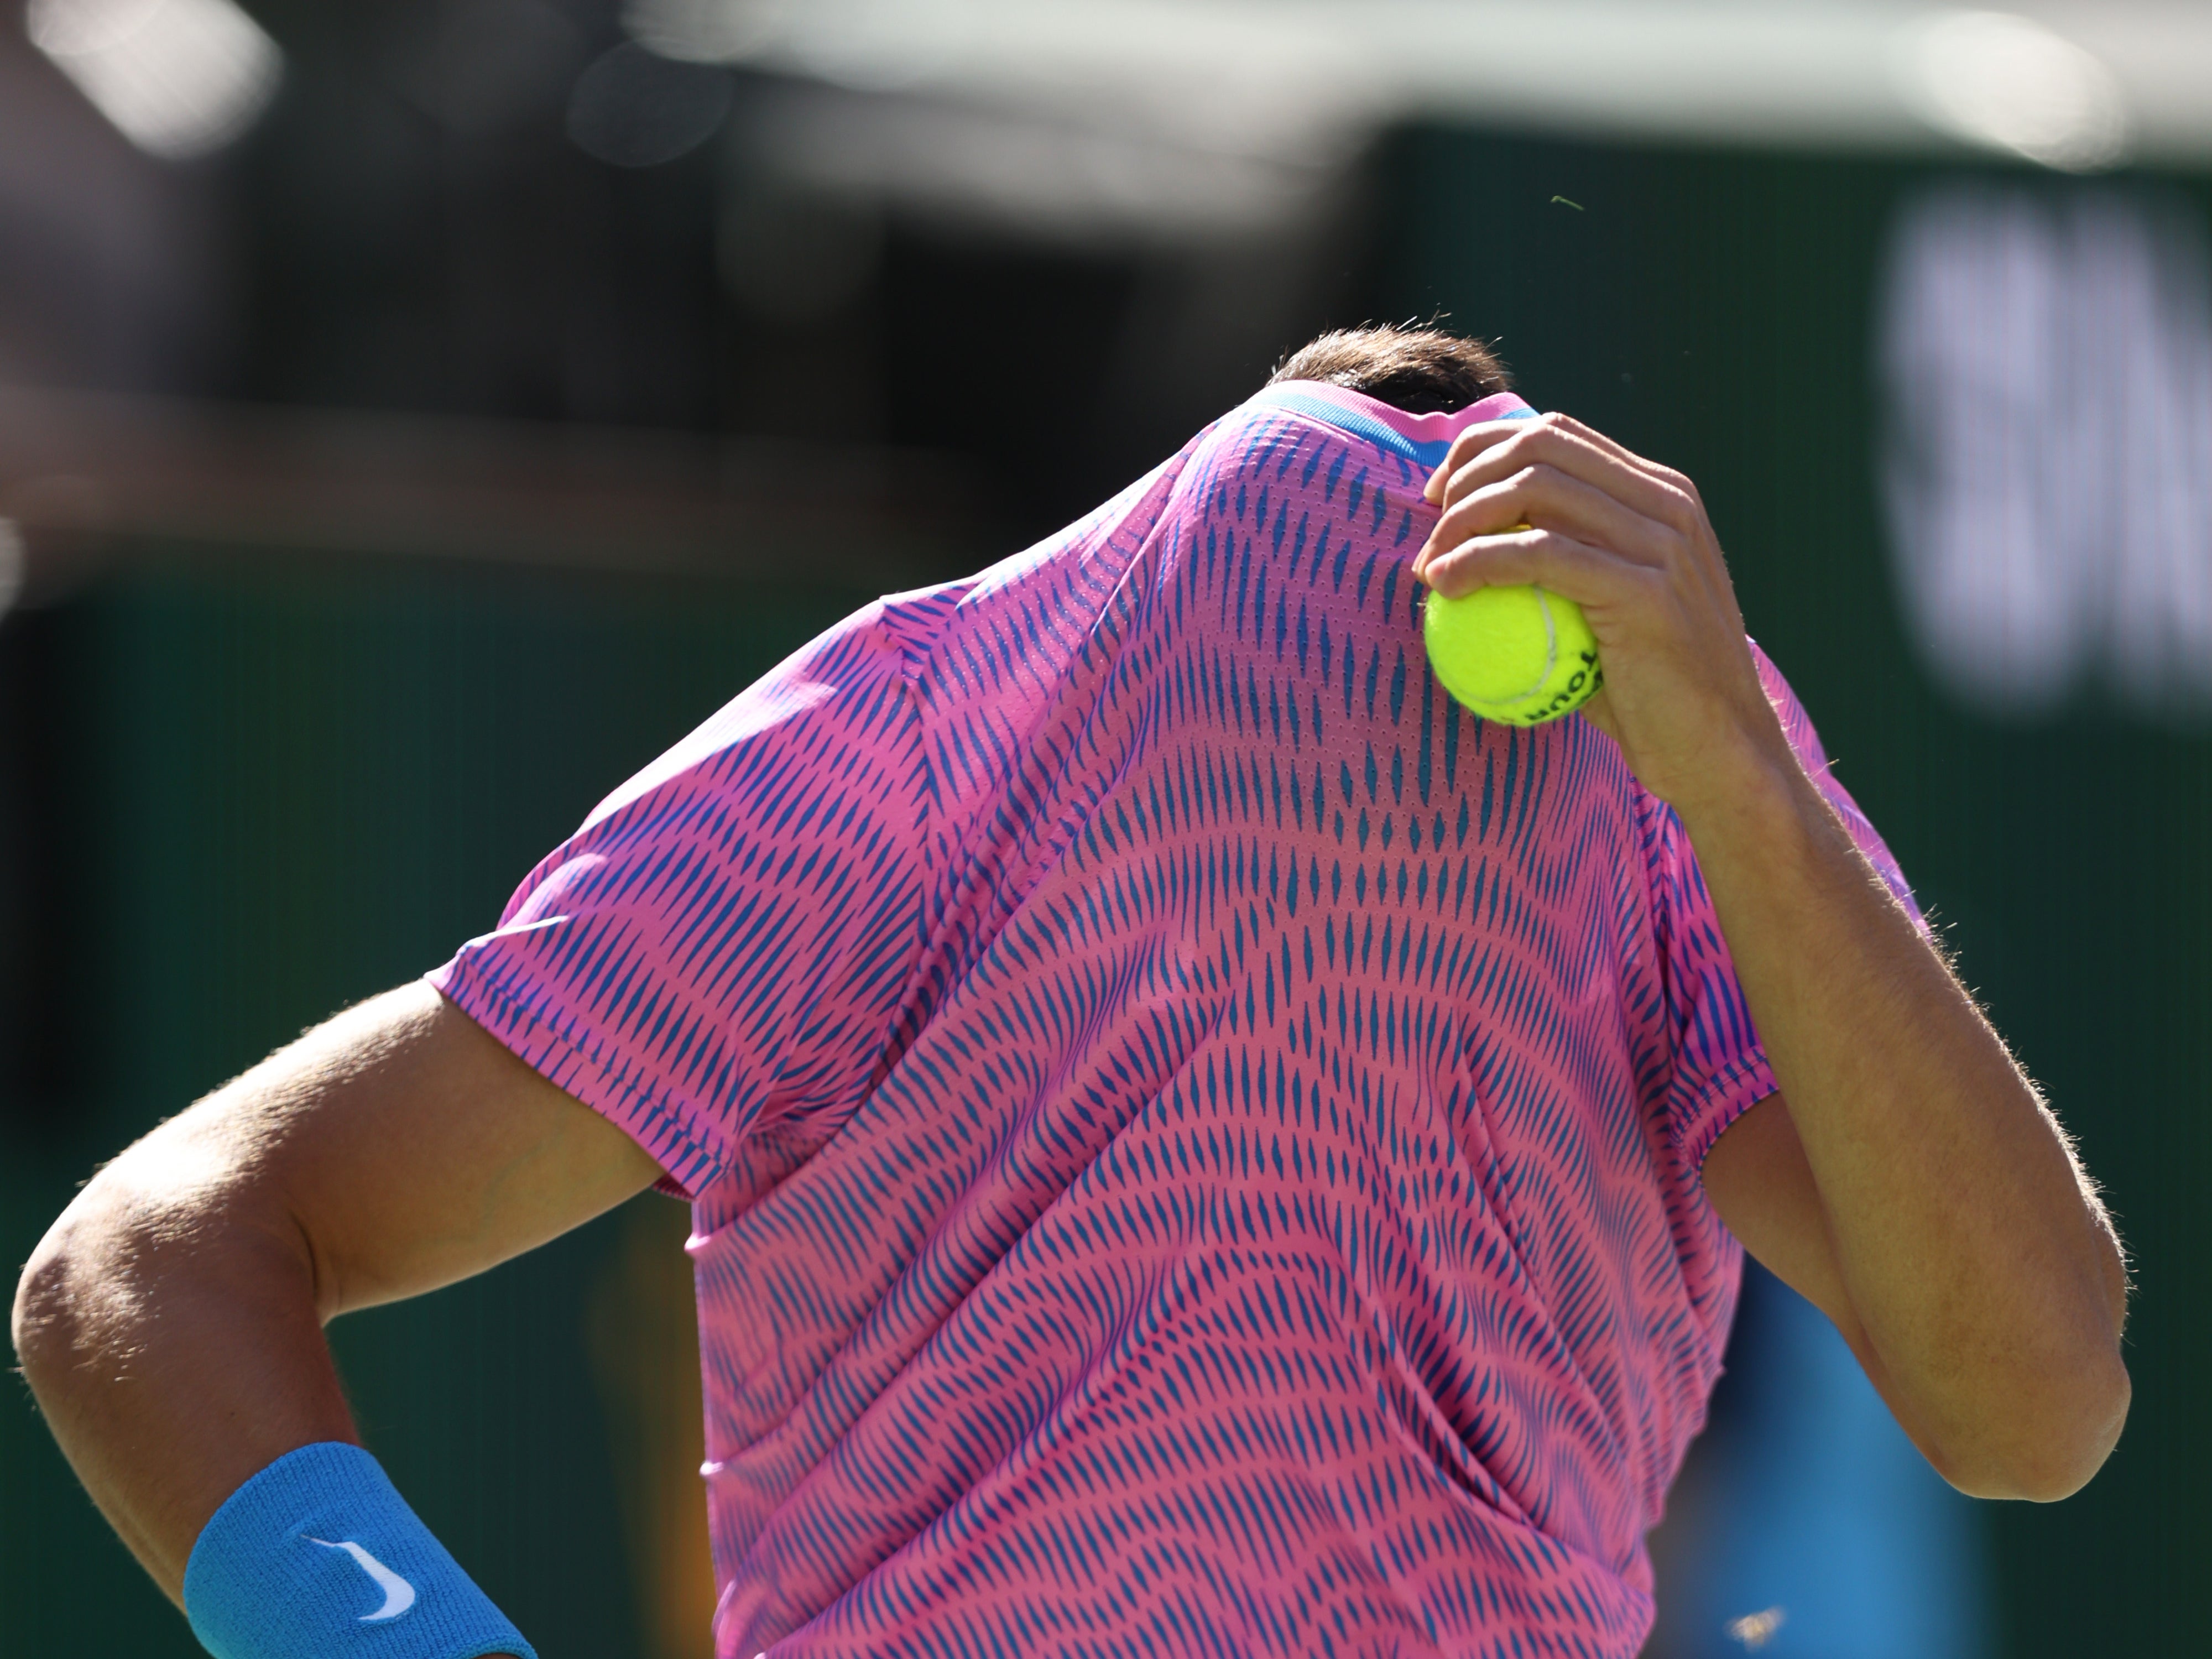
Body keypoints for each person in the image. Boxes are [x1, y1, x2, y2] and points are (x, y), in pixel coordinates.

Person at [12, 326, 2129, 1659]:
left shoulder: (1656, 810)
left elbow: (2034, 1402)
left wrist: (1742, 785)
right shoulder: (911, 766)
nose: (1408, 507)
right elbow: (151, 1258)